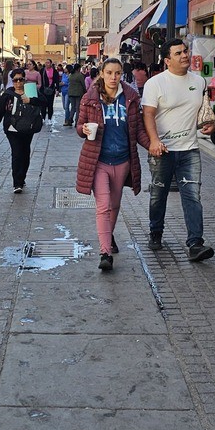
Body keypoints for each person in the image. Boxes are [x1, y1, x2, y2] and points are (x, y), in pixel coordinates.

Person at [143, 39, 215, 262]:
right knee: (158, 195)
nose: (185, 55)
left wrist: (208, 124)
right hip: (163, 150)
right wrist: (154, 141)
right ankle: (156, 231)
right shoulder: (155, 83)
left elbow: (201, 113)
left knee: (192, 196)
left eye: (185, 51)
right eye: (178, 53)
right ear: (167, 60)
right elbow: (147, 114)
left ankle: (196, 243)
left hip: (189, 150)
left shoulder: (199, 81)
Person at [76, 58, 150, 271]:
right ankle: (105, 252)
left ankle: (108, 237)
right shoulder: (90, 98)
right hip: (98, 160)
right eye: (109, 72)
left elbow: (137, 132)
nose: (113, 77)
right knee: (104, 206)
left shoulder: (130, 98)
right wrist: (85, 130)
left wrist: (154, 146)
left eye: (117, 73)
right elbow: (79, 126)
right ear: (102, 73)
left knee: (115, 205)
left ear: (121, 75)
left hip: (123, 160)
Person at [0, 69, 43, 192]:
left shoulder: (30, 90)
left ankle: (22, 177)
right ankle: (17, 183)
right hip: (12, 129)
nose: (18, 82)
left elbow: (43, 101)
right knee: (17, 153)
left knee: (25, 154)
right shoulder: (8, 94)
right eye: (15, 80)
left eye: (21, 79)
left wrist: (31, 100)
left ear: (24, 79)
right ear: (12, 81)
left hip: (28, 128)